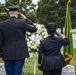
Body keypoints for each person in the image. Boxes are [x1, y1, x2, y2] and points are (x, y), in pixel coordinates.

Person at [0, 5, 37, 75]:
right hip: (20, 53)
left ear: (9, 13)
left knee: (9, 73)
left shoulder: (2, 24)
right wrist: (26, 19)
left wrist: (1, 53)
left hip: (8, 53)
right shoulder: (22, 23)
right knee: (18, 73)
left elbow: (0, 40)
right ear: (17, 13)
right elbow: (34, 29)